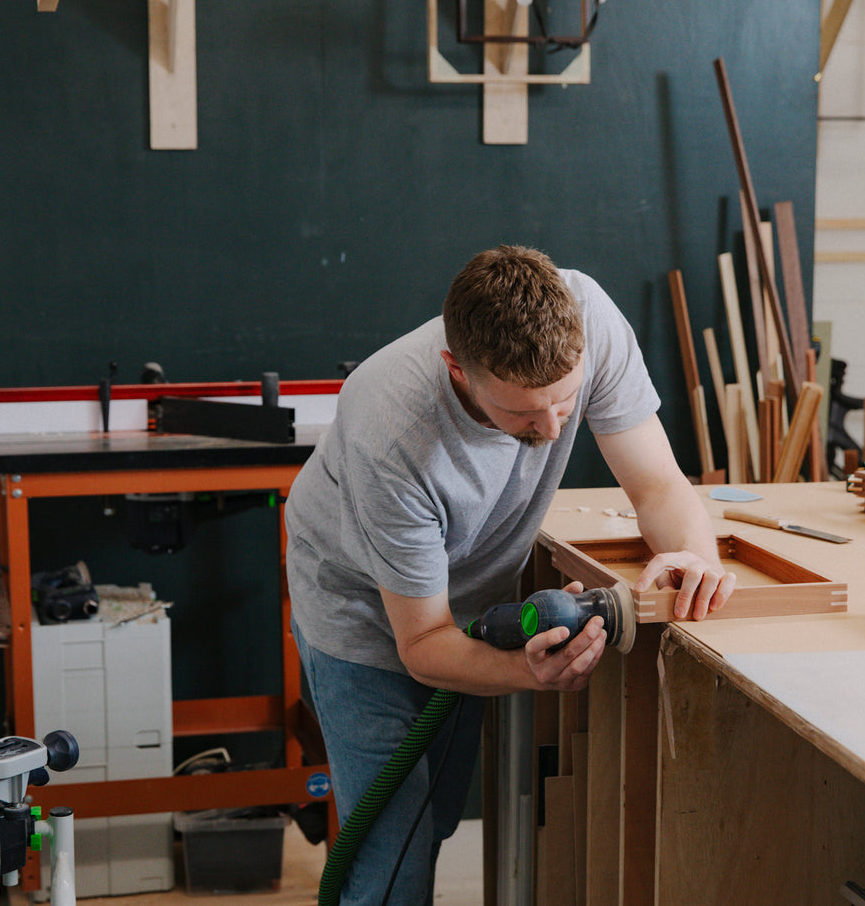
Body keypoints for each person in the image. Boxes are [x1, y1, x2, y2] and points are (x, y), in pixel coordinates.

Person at [286, 245, 735, 904]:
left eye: (565, 400)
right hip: (360, 610)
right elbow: (422, 646)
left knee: (432, 818)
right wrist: (532, 672)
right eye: (523, 414)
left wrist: (696, 556)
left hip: (465, 600)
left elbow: (658, 485)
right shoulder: (391, 430)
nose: (553, 428)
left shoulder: (588, 320)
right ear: (457, 371)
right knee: (391, 854)